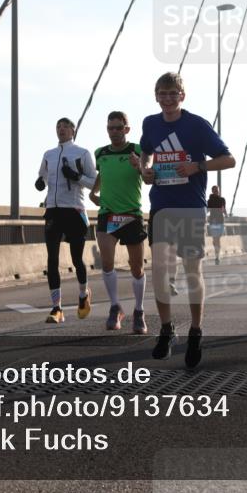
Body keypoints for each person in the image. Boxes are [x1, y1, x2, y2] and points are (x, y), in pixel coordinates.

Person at [138, 72, 235, 368]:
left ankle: (195, 331)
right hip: (161, 207)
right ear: (156, 96)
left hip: (191, 208)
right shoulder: (150, 124)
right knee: (159, 271)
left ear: (182, 95)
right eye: (162, 94)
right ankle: (166, 330)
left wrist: (198, 166)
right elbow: (145, 155)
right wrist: (145, 170)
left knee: (193, 272)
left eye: (173, 93)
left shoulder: (196, 125)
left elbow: (228, 159)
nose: (167, 99)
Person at [89, 111, 148, 334]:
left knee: (136, 267)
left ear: (127, 129)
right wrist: (94, 192)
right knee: (106, 263)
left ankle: (139, 311)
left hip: (132, 214)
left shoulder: (138, 150)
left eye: (118, 128)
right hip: (108, 214)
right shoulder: (100, 153)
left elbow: (149, 176)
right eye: (110, 128)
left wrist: (139, 167)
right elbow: (102, 174)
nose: (114, 132)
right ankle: (115, 307)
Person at [36, 117, 97, 324]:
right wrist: (39, 182)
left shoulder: (82, 153)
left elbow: (95, 184)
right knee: (52, 261)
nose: (61, 130)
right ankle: (57, 308)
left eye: (65, 127)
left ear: (73, 130)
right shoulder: (49, 155)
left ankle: (83, 295)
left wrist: (75, 176)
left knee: (76, 259)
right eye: (58, 127)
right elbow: (43, 176)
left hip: (74, 211)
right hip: (53, 211)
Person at [207, 185, 226, 265]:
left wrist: (226, 214)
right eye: (214, 190)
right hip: (213, 221)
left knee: (217, 239)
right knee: (216, 239)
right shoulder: (209, 200)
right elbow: (208, 210)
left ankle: (217, 256)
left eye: (217, 190)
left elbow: (223, 208)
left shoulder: (222, 199)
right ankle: (217, 257)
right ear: (212, 191)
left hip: (220, 221)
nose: (216, 191)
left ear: (219, 190)